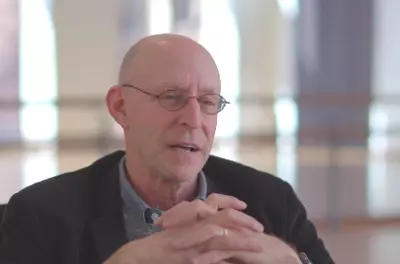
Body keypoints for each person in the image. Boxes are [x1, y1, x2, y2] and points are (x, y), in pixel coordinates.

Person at [0, 34, 334, 264]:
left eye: (207, 102)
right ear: (120, 106)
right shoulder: (40, 215)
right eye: (170, 98)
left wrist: (290, 261)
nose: (193, 120)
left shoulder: (272, 203)